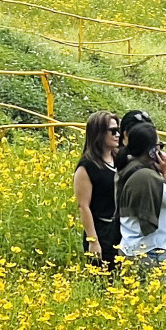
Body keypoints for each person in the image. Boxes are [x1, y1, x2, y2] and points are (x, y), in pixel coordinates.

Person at [116, 121, 166, 282]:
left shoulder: (128, 168)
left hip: (131, 250)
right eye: (159, 146)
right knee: (155, 302)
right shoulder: (146, 177)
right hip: (151, 252)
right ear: (152, 152)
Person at [73, 112, 122, 269]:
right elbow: (83, 206)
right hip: (101, 230)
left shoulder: (119, 158)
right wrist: (93, 241)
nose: (117, 135)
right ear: (99, 133)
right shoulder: (87, 166)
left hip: (120, 229)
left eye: (118, 130)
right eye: (112, 131)